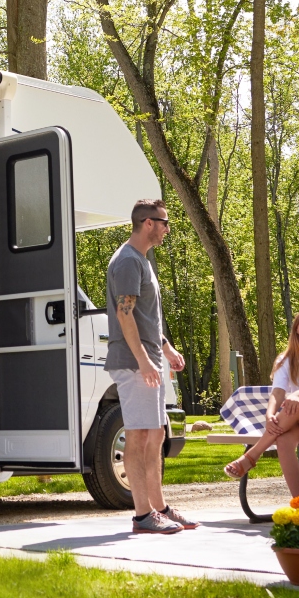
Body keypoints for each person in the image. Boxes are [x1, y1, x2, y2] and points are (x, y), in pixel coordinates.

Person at [107, 199, 194, 534]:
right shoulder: (127, 261)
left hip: (151, 361)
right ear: (147, 223)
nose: (167, 229)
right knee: (140, 435)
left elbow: (145, 317)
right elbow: (124, 313)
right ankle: (143, 515)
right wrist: (144, 360)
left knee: (157, 434)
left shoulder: (141, 260)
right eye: (164, 222)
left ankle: (160, 508)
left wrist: (166, 349)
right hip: (134, 363)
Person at [222, 309, 299, 500]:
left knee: (295, 406)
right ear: (296, 328)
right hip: (298, 418)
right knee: (283, 440)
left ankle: (252, 456)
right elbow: (278, 391)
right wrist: (269, 415)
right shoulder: (285, 359)